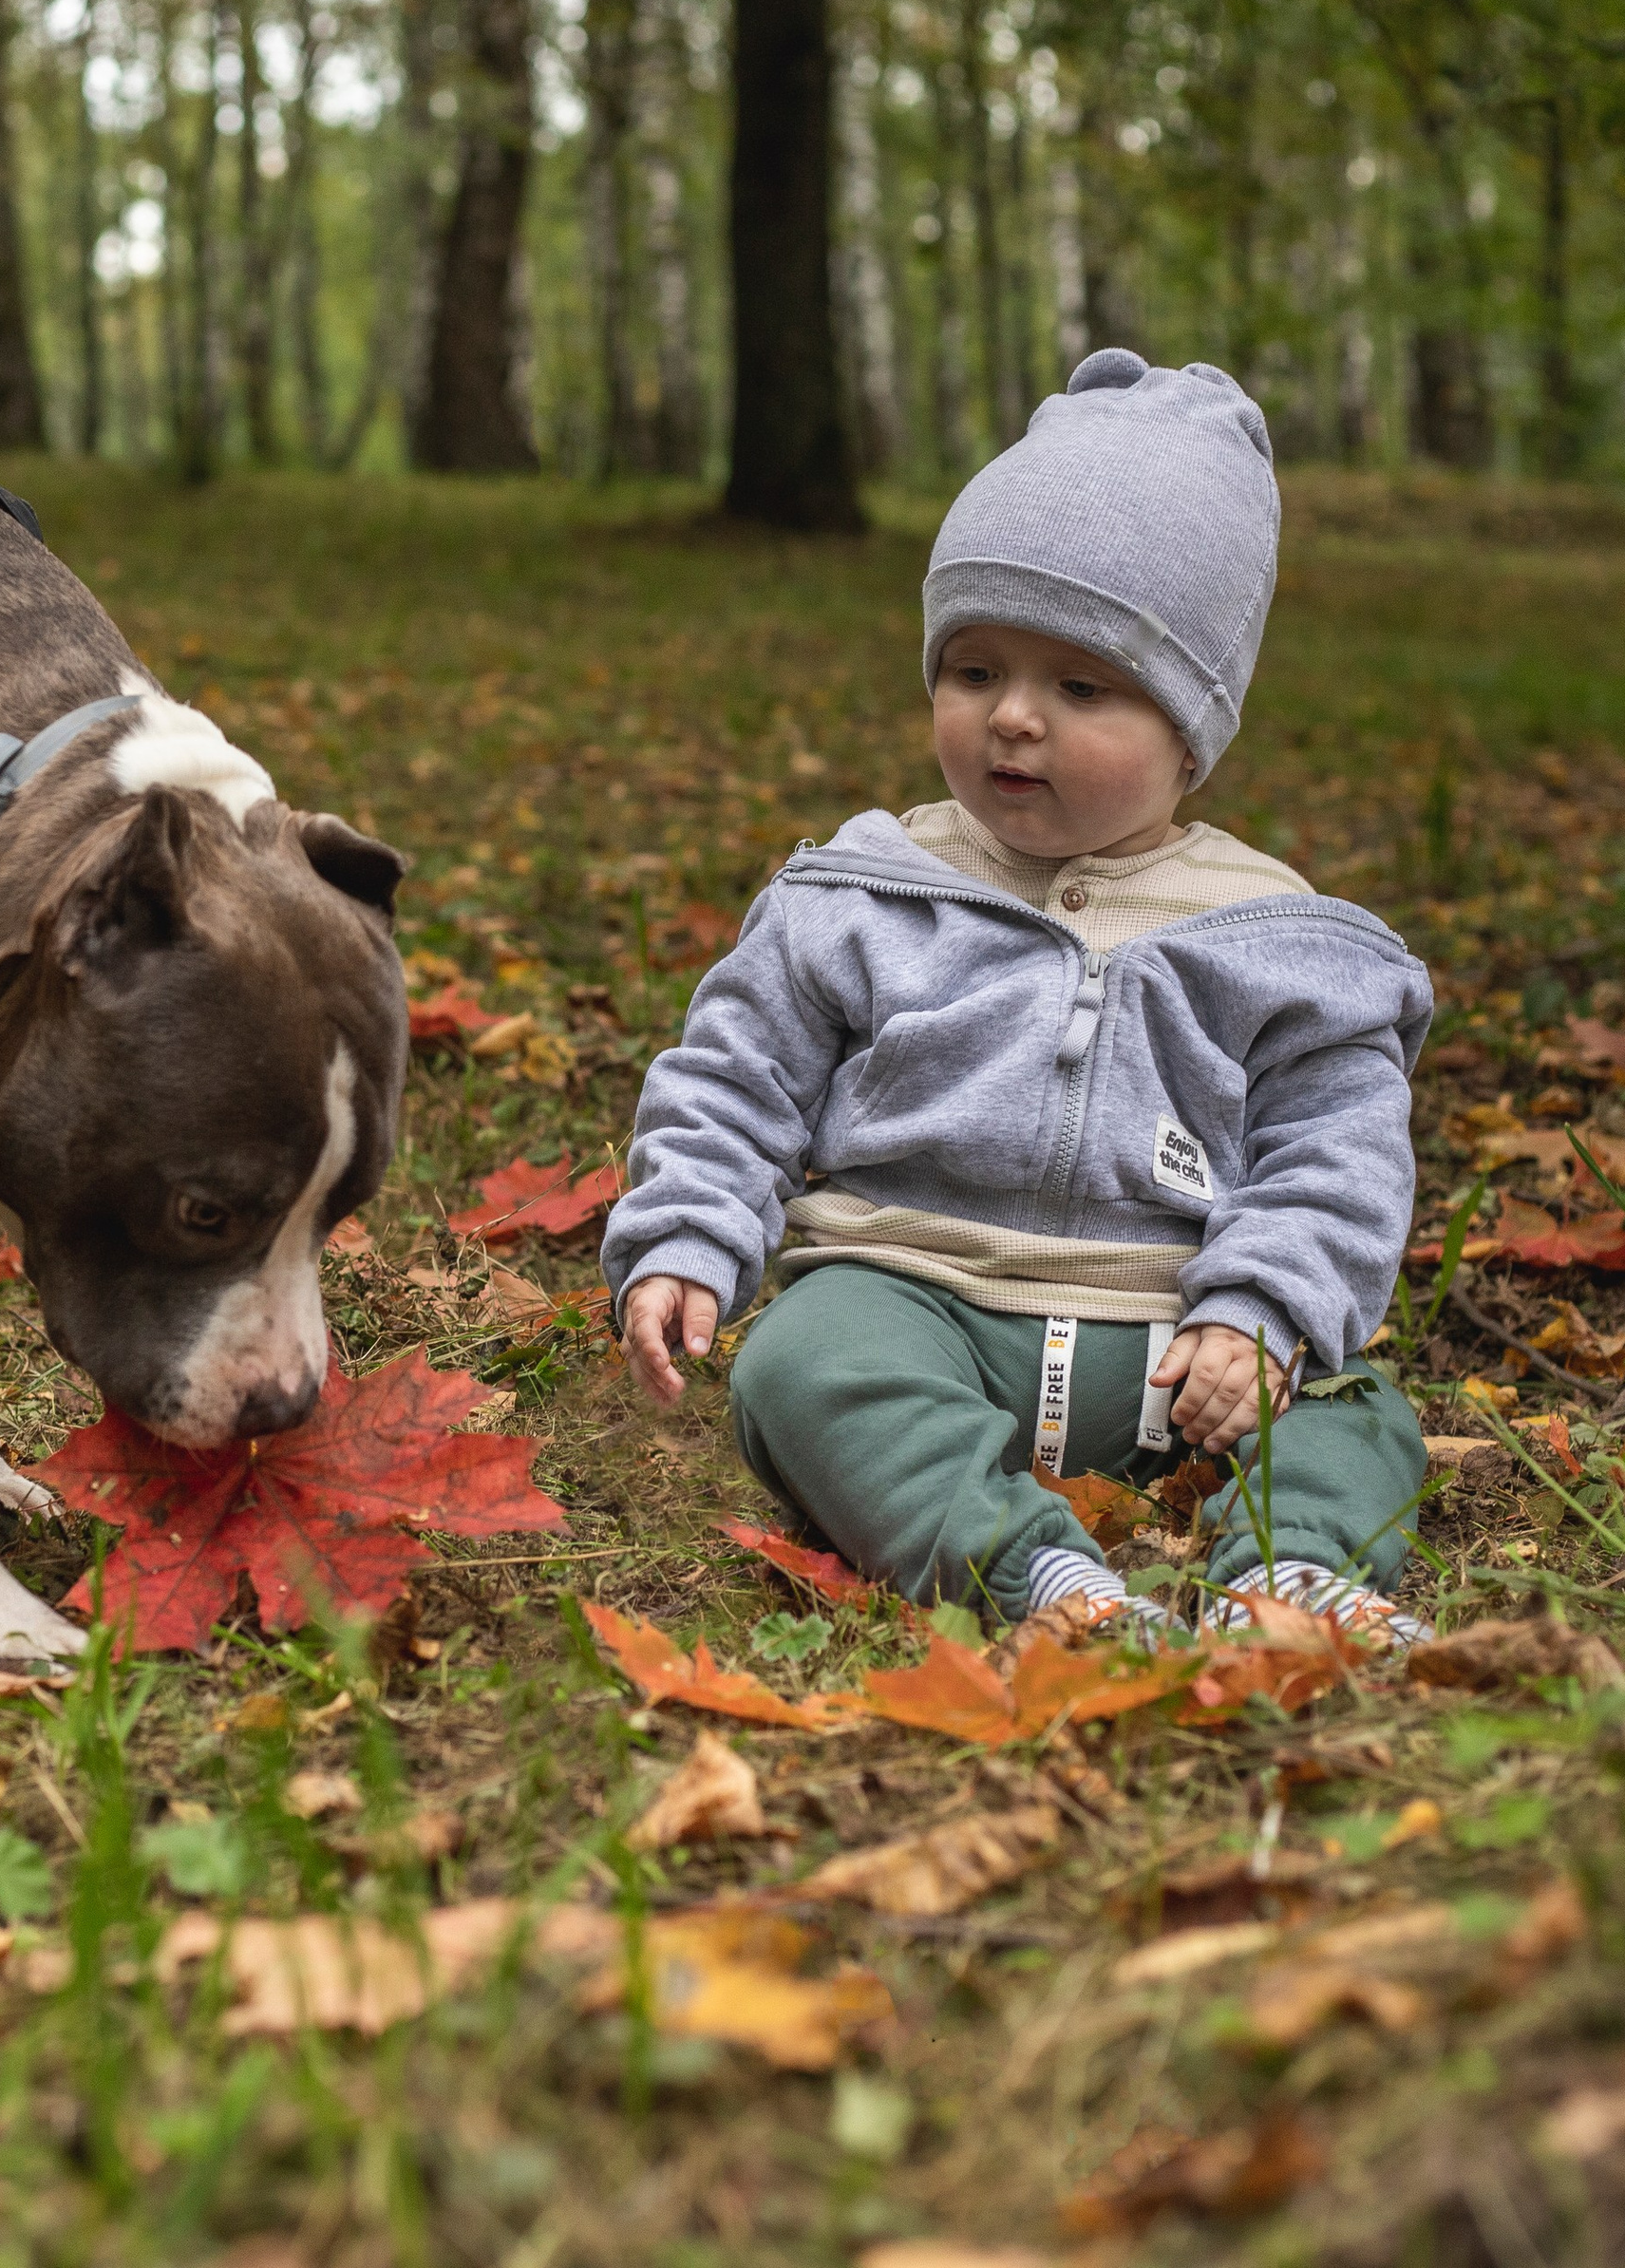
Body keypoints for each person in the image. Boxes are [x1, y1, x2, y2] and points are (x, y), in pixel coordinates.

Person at [603, 349, 1435, 1643]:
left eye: (1082, 687)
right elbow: (736, 1076)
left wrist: (1262, 1313)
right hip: (918, 1298)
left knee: (1355, 1406)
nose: (1013, 721)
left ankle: (1290, 1568)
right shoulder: (867, 891)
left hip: (1176, 1347)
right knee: (799, 1366)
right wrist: (689, 1235)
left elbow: (1339, 1152)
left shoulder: (1277, 937)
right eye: (975, 670)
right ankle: (1037, 1575)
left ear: (1191, 728)